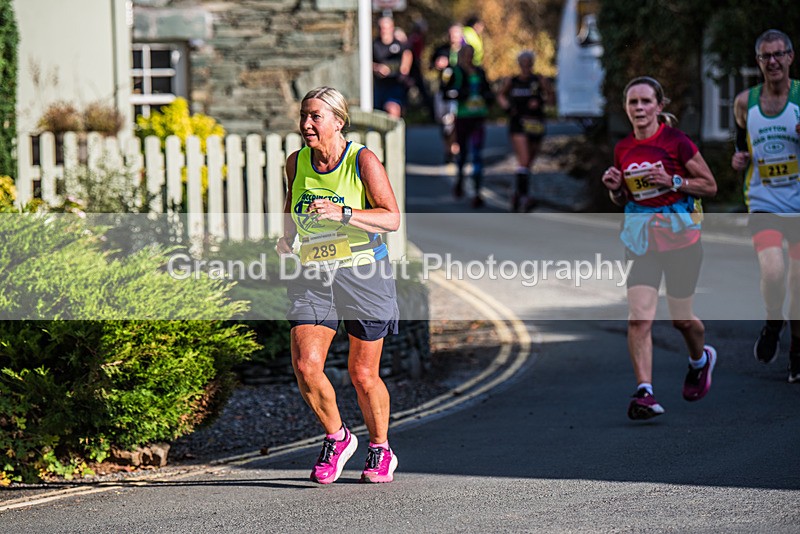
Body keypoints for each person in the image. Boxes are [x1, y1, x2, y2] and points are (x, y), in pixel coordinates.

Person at [277, 86, 401, 483]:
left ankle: (380, 447)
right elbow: (291, 204)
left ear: (338, 121)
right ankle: (338, 436)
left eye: (316, 116)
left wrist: (343, 213)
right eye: (304, 116)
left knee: (363, 374)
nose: (307, 124)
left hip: (363, 274)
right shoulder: (296, 162)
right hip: (314, 275)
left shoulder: (362, 159)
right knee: (305, 364)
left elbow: (391, 218)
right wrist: (285, 236)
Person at [601, 76, 718, 420]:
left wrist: (674, 181)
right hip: (642, 241)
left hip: (681, 240)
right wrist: (615, 189)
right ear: (626, 108)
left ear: (659, 106)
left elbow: (710, 186)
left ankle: (701, 359)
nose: (639, 108)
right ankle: (645, 393)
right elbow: (627, 197)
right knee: (639, 318)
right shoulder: (623, 148)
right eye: (633, 103)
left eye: (645, 102)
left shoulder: (676, 142)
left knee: (682, 320)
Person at [731, 29, 800, 383]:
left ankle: (797, 351)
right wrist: (738, 157)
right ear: (758, 62)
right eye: (765, 56)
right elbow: (740, 138)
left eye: (779, 54)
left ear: (790, 56)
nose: (772, 61)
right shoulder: (745, 101)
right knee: (773, 272)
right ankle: (773, 322)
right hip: (764, 202)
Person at [497, 50, 551, 212]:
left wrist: (540, 101)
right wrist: (508, 108)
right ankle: (524, 196)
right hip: (518, 123)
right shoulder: (512, 81)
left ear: (532, 64)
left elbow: (551, 96)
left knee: (529, 162)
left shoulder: (539, 79)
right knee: (524, 159)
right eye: (523, 63)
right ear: (519, 64)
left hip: (536, 123)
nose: (526, 66)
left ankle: (517, 193)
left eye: (529, 63)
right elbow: (500, 95)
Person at [443, 44, 493, 208]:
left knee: (477, 153)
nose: (468, 58)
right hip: (463, 117)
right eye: (465, 54)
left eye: (471, 54)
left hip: (478, 117)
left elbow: (488, 90)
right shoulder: (456, 72)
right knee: (463, 153)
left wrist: (487, 98)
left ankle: (477, 191)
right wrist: (460, 94)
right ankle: (460, 181)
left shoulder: (479, 72)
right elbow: (446, 92)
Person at [430, 23, 463, 163]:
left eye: (456, 35)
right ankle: (448, 149)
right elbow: (430, 66)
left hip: (459, 92)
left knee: (453, 120)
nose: (453, 38)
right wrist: (437, 65)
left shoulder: (466, 52)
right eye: (451, 35)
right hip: (443, 92)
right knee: (444, 124)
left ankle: (455, 148)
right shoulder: (441, 50)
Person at [373, 16, 413, 119]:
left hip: (395, 85)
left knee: (392, 109)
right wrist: (377, 68)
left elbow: (408, 55)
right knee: (378, 116)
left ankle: (395, 134)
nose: (384, 31)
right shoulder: (374, 45)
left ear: (392, 28)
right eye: (381, 28)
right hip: (379, 86)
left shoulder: (399, 45)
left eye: (386, 28)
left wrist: (405, 71)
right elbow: (366, 63)